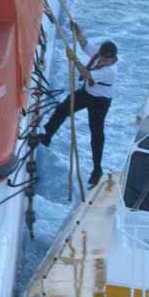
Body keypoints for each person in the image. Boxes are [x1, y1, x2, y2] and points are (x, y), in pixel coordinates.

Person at [37, 23, 119, 187]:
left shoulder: (110, 71)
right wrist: (78, 32)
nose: (102, 60)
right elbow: (85, 45)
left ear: (112, 59)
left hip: (100, 102)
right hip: (87, 93)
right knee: (62, 109)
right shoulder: (99, 55)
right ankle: (46, 135)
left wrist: (74, 60)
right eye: (101, 56)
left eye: (106, 59)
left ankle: (97, 170)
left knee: (96, 134)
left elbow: (86, 73)